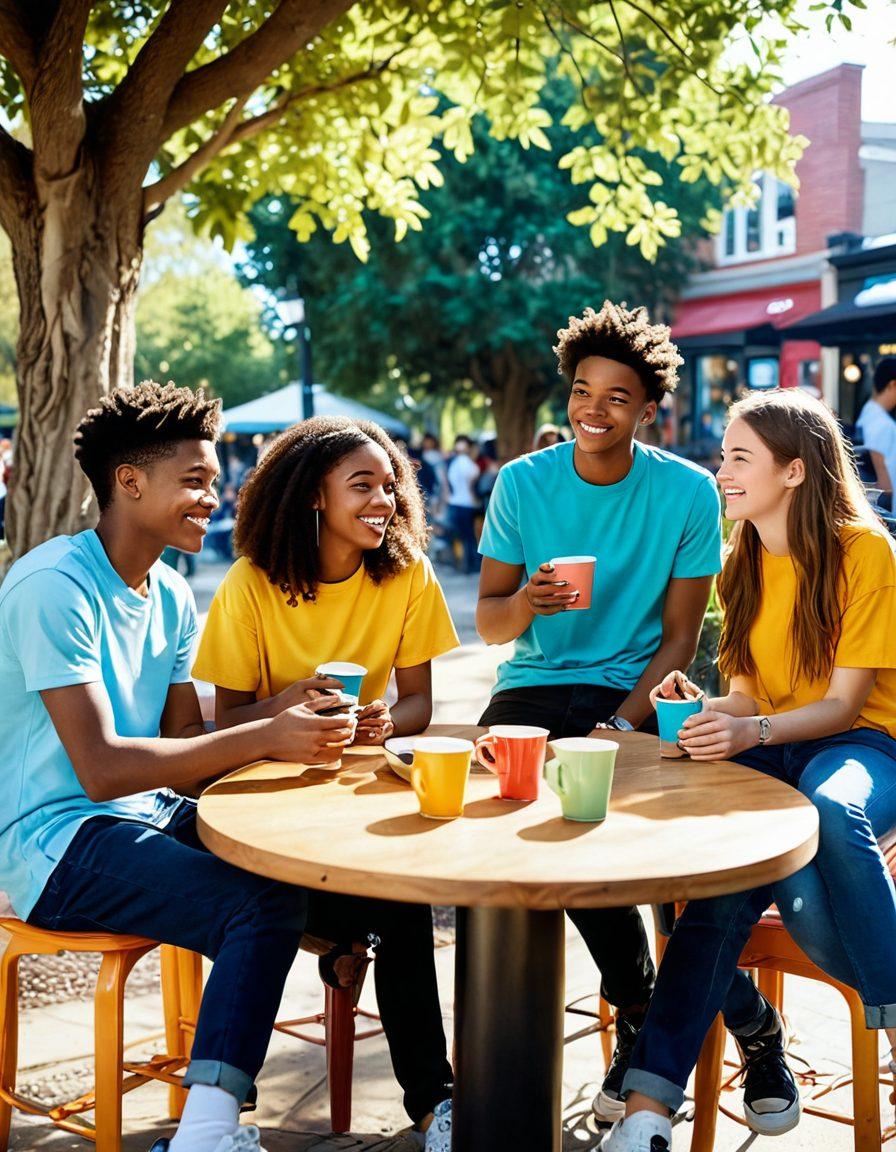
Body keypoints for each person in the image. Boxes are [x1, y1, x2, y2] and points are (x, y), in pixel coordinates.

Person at [0, 382, 447, 1152]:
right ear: (129, 481)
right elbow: (103, 769)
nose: (216, 497)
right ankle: (207, 1131)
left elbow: (180, 751)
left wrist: (282, 714)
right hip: (55, 840)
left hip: (147, 817)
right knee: (258, 907)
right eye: (197, 481)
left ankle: (436, 1104)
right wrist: (264, 737)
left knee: (386, 892)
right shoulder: (54, 586)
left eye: (214, 480)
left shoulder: (169, 593)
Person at [605, 387, 896, 1152]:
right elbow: (744, 691)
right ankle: (646, 1115)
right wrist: (708, 713)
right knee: (709, 888)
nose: (721, 471)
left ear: (795, 472)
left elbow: (842, 705)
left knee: (827, 810)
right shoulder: (745, 562)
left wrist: (750, 730)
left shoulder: (865, 552)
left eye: (740, 457)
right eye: (724, 455)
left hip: (864, 745)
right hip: (776, 749)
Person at [475, 301, 722, 1121]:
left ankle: (652, 1019)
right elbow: (489, 622)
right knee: (517, 821)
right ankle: (646, 1008)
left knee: (597, 830)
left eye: (617, 397)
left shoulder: (687, 492)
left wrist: (618, 724)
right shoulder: (521, 483)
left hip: (636, 687)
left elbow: (681, 640)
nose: (594, 409)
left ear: (648, 410)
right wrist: (532, 605)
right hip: (534, 683)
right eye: (583, 390)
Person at [192, 415, 460, 1143]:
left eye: (391, 485)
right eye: (363, 485)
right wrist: (288, 709)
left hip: (361, 792)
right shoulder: (252, 583)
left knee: (402, 898)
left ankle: (437, 1104)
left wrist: (384, 722)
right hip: (269, 797)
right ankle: (339, 947)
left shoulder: (406, 576)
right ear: (314, 493)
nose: (385, 500)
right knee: (344, 898)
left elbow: (419, 703)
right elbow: (230, 722)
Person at [857, 356, 896, 503]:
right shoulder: (883, 425)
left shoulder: (867, 414)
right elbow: (885, 485)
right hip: (886, 513)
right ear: (892, 384)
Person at [444, 434, 481, 574]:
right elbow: (472, 486)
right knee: (470, 536)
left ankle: (463, 565)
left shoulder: (453, 463)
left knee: (461, 536)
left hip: (455, 503)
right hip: (468, 504)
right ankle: (472, 565)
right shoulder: (470, 465)